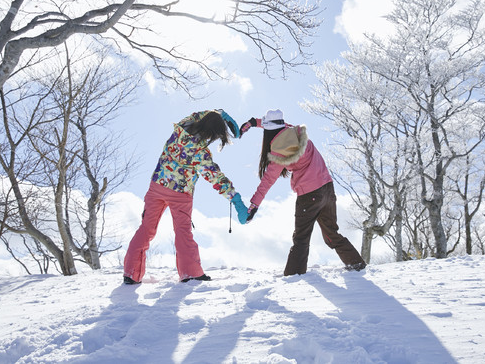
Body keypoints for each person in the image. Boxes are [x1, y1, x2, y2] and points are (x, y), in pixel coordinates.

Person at [123, 110, 249, 284]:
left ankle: (131, 272)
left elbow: (198, 115)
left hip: (157, 185)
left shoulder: (182, 126)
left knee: (146, 228)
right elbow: (215, 177)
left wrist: (220, 113)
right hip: (180, 193)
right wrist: (235, 199)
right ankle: (191, 272)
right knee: (182, 232)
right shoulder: (200, 153)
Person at [239, 109, 366, 276]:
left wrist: (254, 205)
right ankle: (356, 263)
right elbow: (278, 125)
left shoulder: (279, 151)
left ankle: (293, 277)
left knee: (301, 239)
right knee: (331, 234)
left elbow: (267, 181)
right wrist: (254, 122)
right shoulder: (296, 133)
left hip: (309, 196)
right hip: (327, 188)